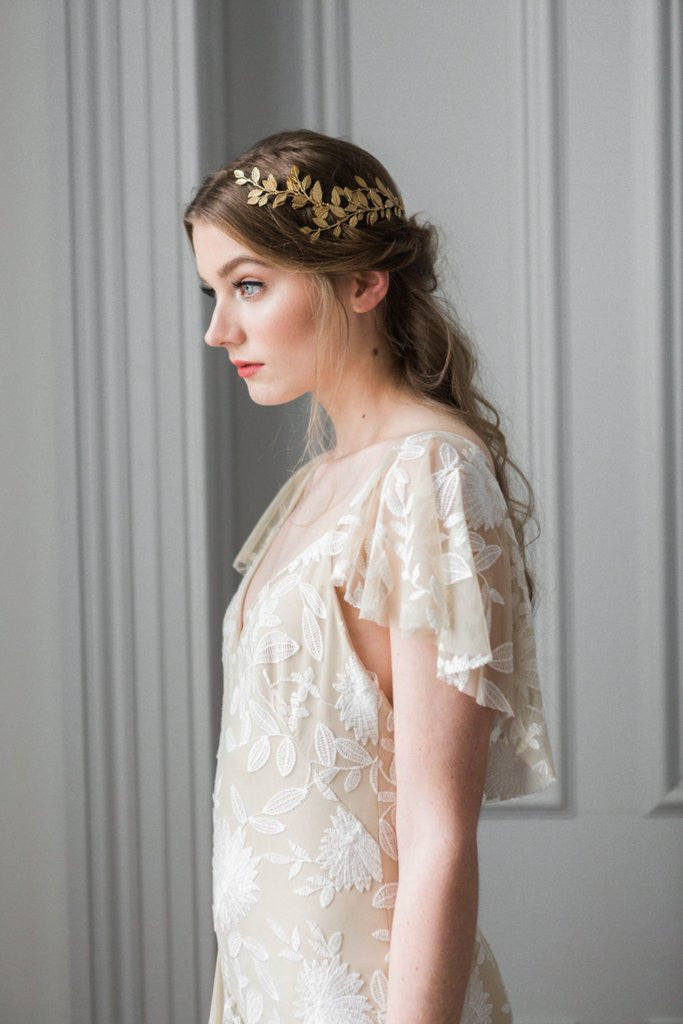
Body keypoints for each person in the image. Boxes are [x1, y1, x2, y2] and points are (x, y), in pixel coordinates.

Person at [183, 128, 556, 1024]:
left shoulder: (426, 479)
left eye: (249, 286)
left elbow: (436, 835)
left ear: (360, 283)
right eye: (213, 291)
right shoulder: (318, 484)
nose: (216, 329)